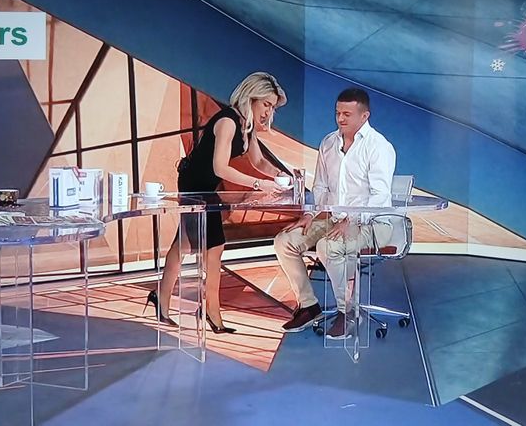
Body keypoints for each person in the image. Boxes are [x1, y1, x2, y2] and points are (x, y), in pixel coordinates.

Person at [146, 72, 288, 333]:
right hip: (194, 185)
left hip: (207, 188)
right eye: (266, 104)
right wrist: (259, 184)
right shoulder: (228, 122)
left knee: (185, 244)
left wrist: (282, 175)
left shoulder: (246, 126)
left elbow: (258, 161)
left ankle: (162, 298)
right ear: (251, 98)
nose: (269, 112)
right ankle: (211, 310)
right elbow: (220, 168)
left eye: (272, 107)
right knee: (214, 246)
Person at [274, 88, 396, 339]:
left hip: (372, 223)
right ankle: (309, 306)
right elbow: (320, 187)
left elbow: (380, 196)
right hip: (333, 218)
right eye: (338, 113)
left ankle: (347, 311)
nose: (340, 118)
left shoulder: (379, 147)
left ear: (364, 116)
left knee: (328, 247)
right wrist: (310, 214)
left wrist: (351, 219)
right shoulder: (328, 143)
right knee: (284, 241)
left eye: (347, 114)